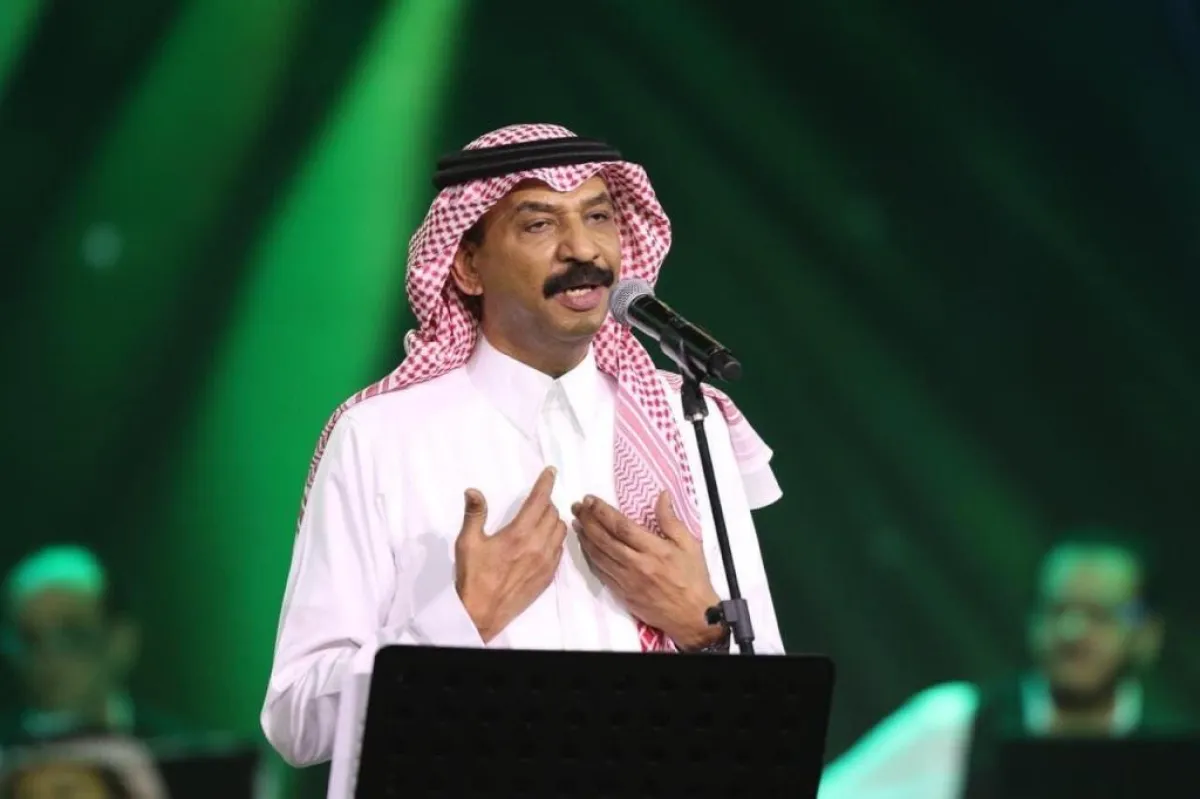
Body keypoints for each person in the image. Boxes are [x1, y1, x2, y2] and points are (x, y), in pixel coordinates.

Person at [262, 123, 787, 766]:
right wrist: (459, 621)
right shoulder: (381, 437)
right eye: (539, 224)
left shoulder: (687, 421)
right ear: (467, 265)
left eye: (599, 217)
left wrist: (704, 630)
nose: (582, 248)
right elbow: (298, 722)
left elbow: (773, 707)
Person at [818, 530, 1192, 799]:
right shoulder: (956, 722)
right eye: (1056, 609)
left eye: (1099, 614)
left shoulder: (1175, 760)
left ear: (1147, 634)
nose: (1072, 631)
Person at [0, 546, 186, 749]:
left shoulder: (178, 749)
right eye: (30, 640)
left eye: (74, 635)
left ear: (121, 641)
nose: (49, 657)